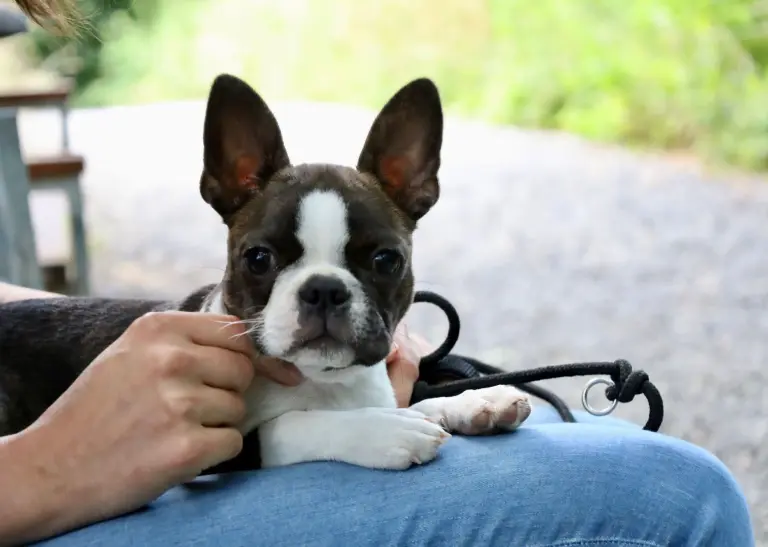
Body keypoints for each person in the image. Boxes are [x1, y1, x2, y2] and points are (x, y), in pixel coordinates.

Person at [0, 2, 756, 544]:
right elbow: (231, 450)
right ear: (228, 190)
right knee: (677, 496)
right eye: (266, 261)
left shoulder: (181, 340)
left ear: (415, 188)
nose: (322, 294)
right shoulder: (214, 358)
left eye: (378, 263)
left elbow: (364, 414)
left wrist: (440, 404)